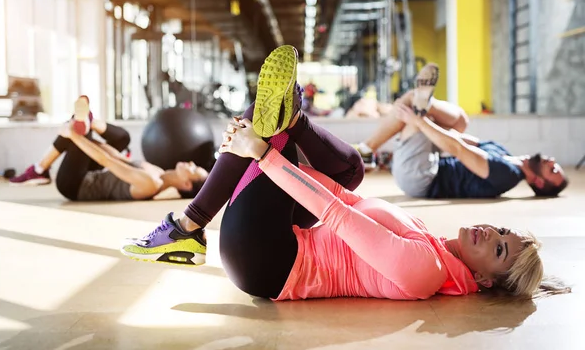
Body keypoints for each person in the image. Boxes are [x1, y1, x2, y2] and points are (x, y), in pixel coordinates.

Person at [121, 45, 569, 301]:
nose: (491, 235)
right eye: (503, 233)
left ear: (486, 280)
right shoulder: (430, 241)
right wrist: (266, 152)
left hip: (267, 263)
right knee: (349, 166)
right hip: (284, 238)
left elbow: (336, 215)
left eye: (499, 250)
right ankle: (294, 119)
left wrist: (264, 156)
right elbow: (345, 194)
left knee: (267, 131)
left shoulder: (427, 271)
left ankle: (185, 225)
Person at [355, 64, 569, 198]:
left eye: (553, 170)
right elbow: (459, 136)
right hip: (426, 165)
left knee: (412, 104)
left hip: (420, 178)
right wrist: (429, 120)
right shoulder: (503, 152)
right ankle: (425, 104)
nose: (551, 161)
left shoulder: (505, 174)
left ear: (538, 182)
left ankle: (366, 150)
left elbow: (456, 148)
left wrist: (418, 121)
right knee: (460, 120)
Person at [10, 96, 208, 201]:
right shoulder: (158, 172)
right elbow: (116, 157)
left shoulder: (151, 183)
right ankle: (89, 122)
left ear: (186, 185)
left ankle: (38, 169)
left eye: (193, 169)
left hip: (75, 186)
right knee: (123, 138)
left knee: (78, 132)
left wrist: (74, 136)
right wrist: (88, 138)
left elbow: (108, 162)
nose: (191, 163)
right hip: (88, 175)